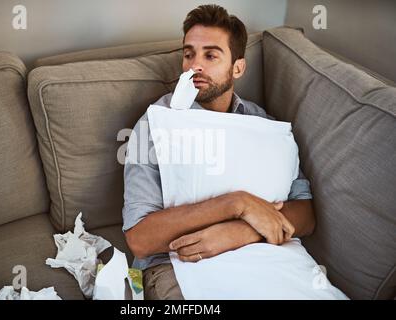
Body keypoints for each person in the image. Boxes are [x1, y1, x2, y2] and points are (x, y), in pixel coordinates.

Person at [122, 4, 315, 300]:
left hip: (262, 256)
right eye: (188, 54)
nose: (194, 66)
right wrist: (237, 204)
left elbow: (305, 213)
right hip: (179, 264)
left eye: (210, 55)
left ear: (237, 67)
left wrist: (240, 232)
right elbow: (140, 240)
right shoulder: (155, 124)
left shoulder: (262, 125)